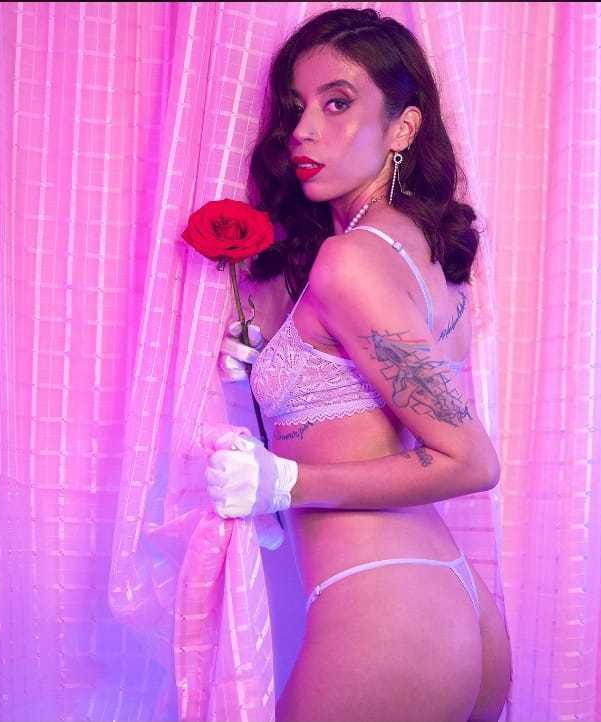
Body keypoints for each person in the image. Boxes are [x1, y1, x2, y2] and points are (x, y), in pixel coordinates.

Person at [203, 8, 512, 721]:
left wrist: (288, 482)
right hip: (443, 603)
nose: (303, 131)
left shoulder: (351, 261)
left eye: (337, 103)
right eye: (296, 108)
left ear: (403, 128)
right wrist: (256, 381)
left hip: (387, 618)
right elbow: (358, 417)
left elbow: (471, 460)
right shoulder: (423, 256)